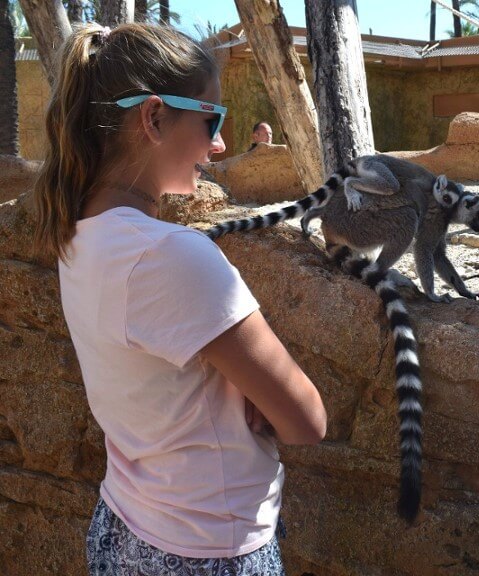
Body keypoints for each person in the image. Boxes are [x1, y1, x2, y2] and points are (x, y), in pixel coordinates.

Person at [31, 23, 327, 575]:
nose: (218, 145)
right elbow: (307, 419)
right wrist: (249, 394)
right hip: (205, 548)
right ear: (155, 117)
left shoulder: (78, 234)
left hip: (124, 522)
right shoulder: (172, 256)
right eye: (210, 120)